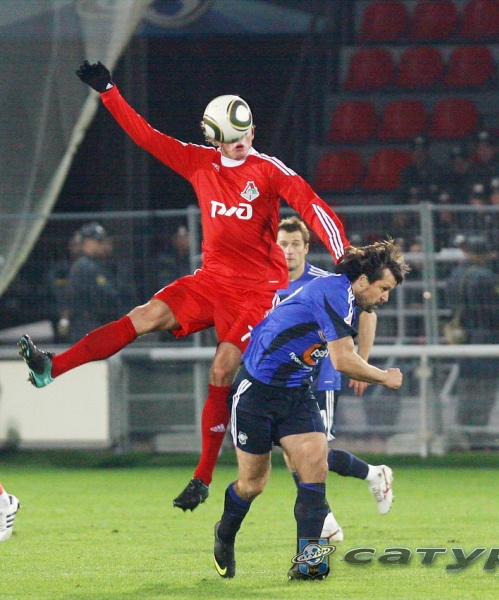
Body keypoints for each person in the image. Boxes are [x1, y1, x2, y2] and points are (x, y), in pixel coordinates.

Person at [18, 60, 349, 512]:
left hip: (256, 292)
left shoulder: (269, 170)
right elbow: (146, 137)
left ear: (253, 131)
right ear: (213, 139)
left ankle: (202, 477)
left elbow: (312, 205)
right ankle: (51, 368)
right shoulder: (199, 162)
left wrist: (343, 254)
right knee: (143, 317)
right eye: (231, 139)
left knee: (221, 369)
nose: (241, 145)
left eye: (245, 136)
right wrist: (109, 91)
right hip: (210, 280)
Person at [213, 241, 408, 580]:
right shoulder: (334, 293)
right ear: (363, 281)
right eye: (384, 288)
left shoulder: (349, 298)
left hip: (297, 393)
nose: (385, 297)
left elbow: (362, 327)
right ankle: (224, 533)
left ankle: (309, 564)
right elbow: (342, 360)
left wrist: (365, 357)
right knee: (253, 484)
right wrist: (384, 376)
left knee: (314, 472)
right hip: (256, 393)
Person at [276, 217, 391, 543]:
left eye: (295, 244)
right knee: (292, 452)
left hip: (320, 376)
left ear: (306, 248)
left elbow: (367, 313)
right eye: (282, 244)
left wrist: (361, 361)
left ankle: (360, 487)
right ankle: (332, 511)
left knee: (311, 453)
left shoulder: (323, 281)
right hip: (285, 378)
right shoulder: (266, 281)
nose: (288, 250)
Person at [445, 235, 499, 439]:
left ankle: (463, 432)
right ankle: (478, 434)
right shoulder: (486, 276)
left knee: (467, 386)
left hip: (463, 337)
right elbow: (494, 311)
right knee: (485, 388)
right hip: (485, 336)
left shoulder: (455, 275)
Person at [67, 222, 129, 343]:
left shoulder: (99, 265)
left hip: (97, 327)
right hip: (88, 327)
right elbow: (102, 298)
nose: (102, 245)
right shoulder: (84, 266)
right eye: (98, 241)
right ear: (86, 243)